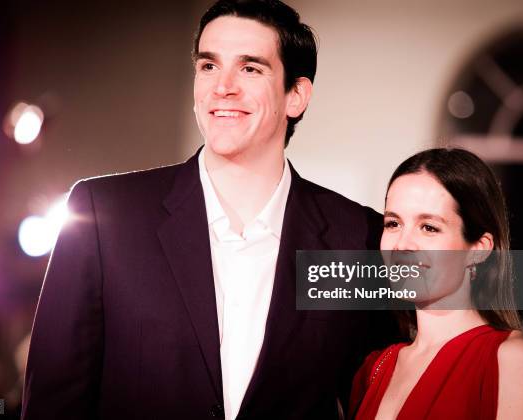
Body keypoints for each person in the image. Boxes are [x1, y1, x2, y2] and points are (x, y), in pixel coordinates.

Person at [21, 1, 398, 419]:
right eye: (209, 66)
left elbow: (453, 326)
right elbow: (52, 403)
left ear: (296, 95)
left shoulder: (357, 235)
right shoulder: (104, 216)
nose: (223, 87)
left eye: (250, 68)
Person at [349, 148, 523, 419]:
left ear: (479, 248)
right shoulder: (375, 368)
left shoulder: (511, 358)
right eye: (393, 223)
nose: (403, 245)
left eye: (429, 227)